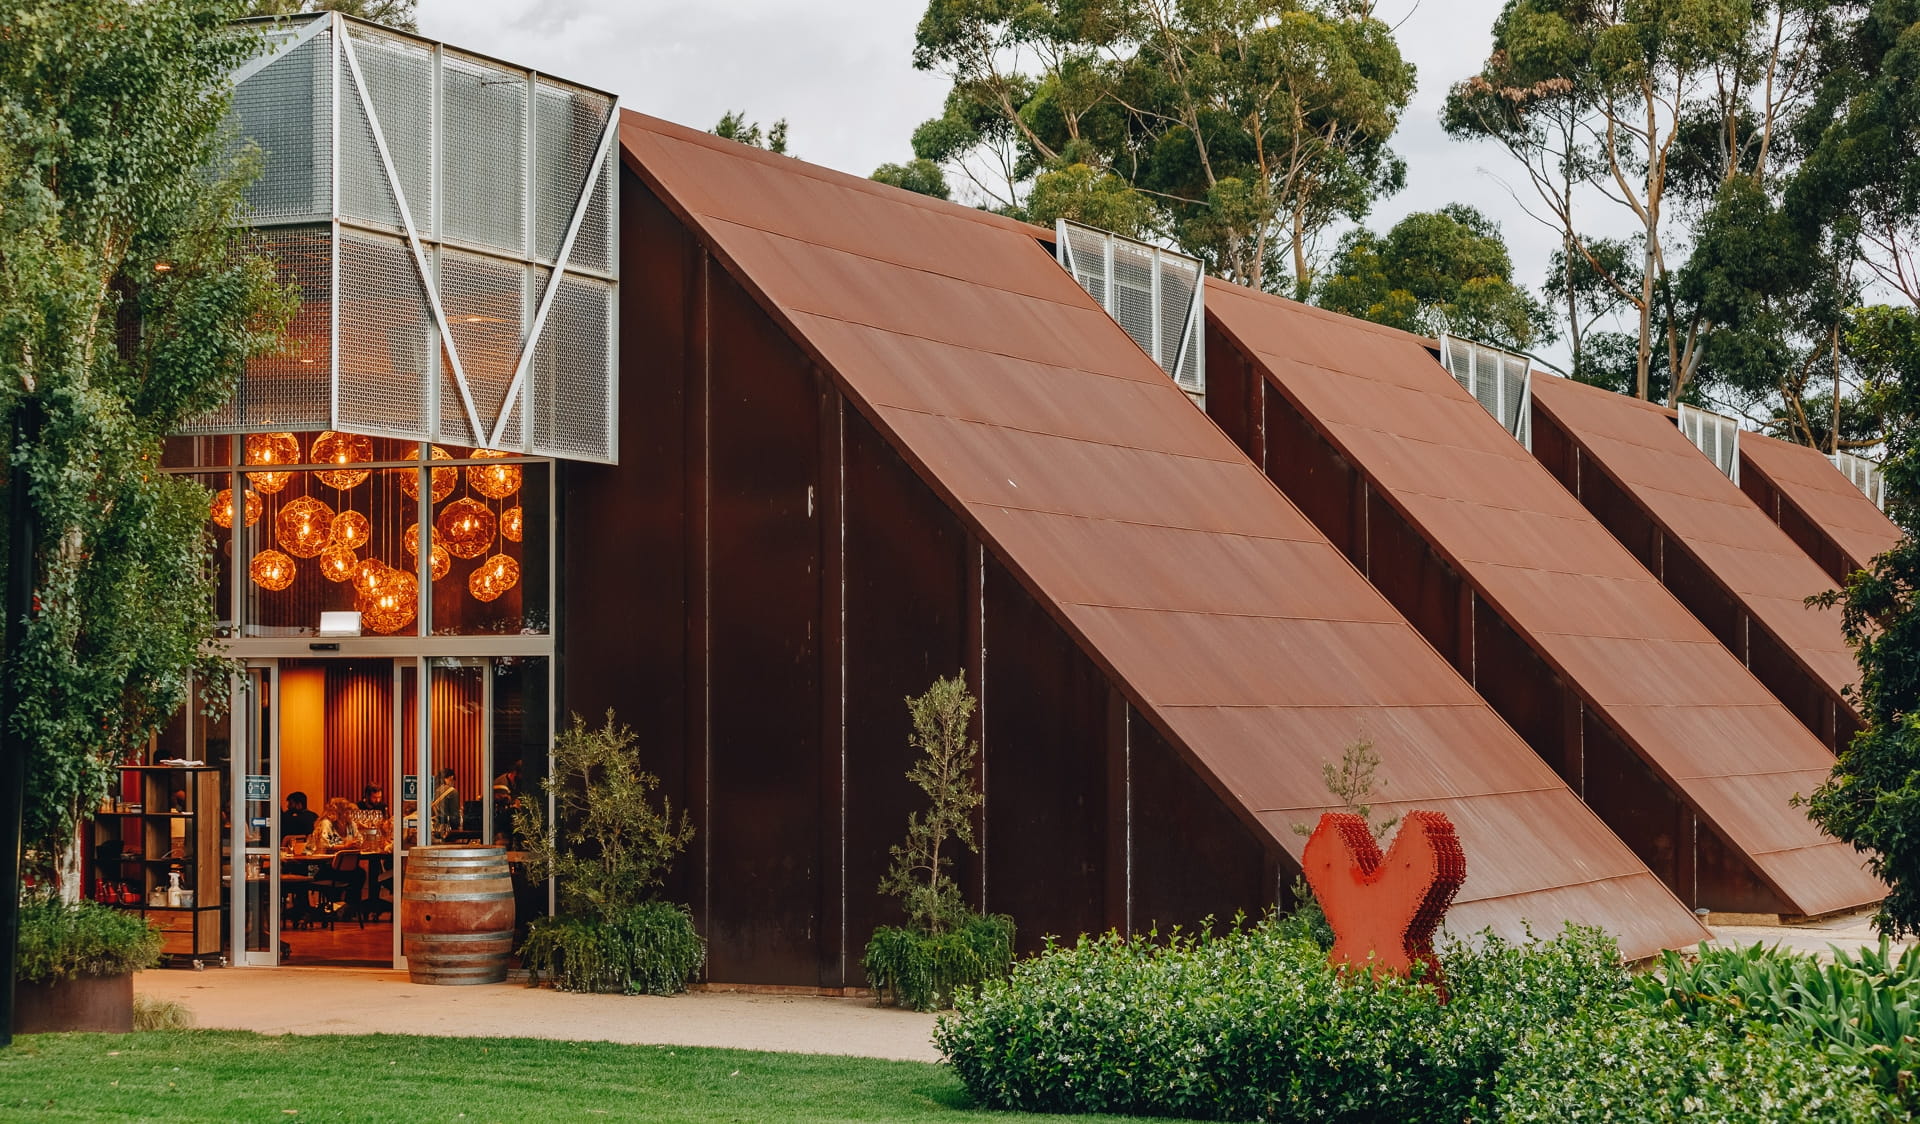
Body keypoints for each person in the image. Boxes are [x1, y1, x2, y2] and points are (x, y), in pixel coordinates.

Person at [429, 769, 459, 840]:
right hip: (445, 831)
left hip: (431, 829)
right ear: (451, 777)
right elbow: (454, 815)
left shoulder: (432, 791)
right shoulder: (452, 792)